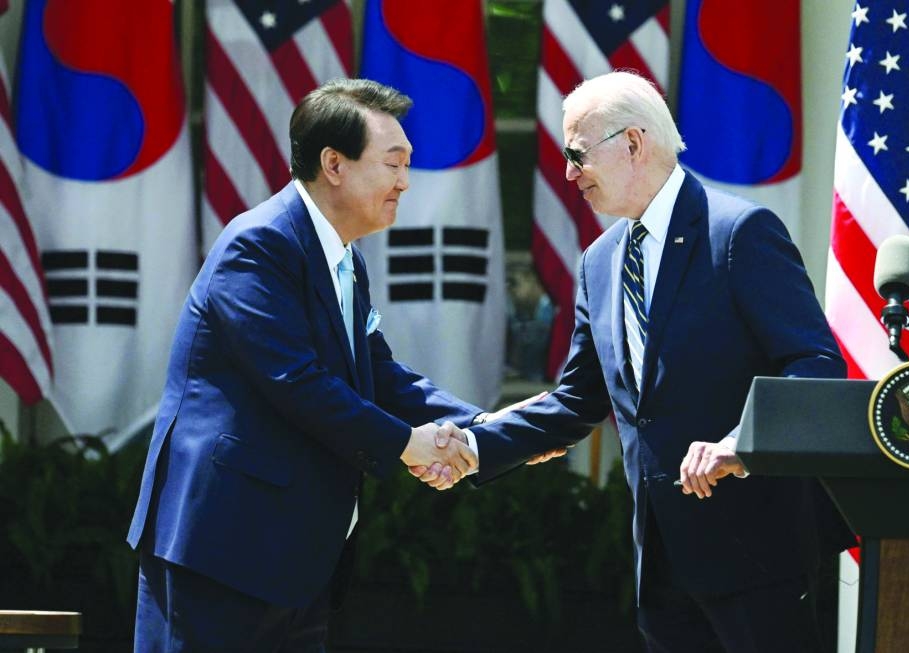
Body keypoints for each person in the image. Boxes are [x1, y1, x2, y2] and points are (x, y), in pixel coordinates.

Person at [423, 71, 855, 651]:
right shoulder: (599, 263)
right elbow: (579, 401)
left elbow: (815, 365)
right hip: (662, 562)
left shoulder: (738, 234)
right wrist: (476, 446)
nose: (569, 174)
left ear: (632, 143)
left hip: (759, 554)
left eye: (577, 154)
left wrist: (741, 444)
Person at [127, 79, 492, 652]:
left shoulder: (345, 259)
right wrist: (408, 445)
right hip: (222, 548)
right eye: (393, 163)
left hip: (296, 561)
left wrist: (489, 428)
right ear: (334, 164)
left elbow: (382, 378)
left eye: (408, 165)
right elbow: (295, 381)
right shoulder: (259, 245)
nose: (404, 181)